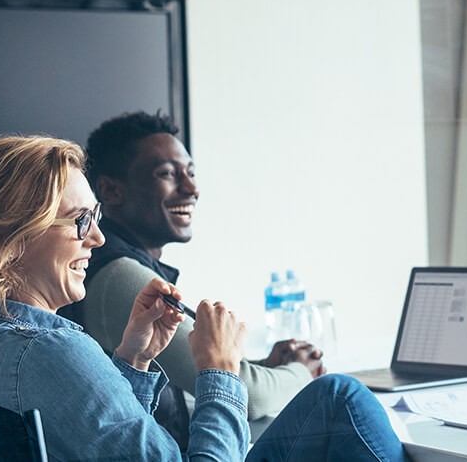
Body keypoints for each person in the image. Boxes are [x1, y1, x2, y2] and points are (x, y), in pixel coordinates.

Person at [0, 136, 405, 460]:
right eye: (80, 221)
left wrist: (133, 360)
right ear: (10, 240)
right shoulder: (50, 351)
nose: (98, 238)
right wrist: (220, 370)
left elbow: (105, 447)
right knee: (340, 395)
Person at [58, 111, 321, 448]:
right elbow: (248, 395)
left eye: (191, 173)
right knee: (340, 394)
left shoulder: (125, 267)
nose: (192, 188)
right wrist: (303, 371)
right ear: (110, 190)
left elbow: (208, 369)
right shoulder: (117, 277)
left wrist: (264, 365)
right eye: (167, 174)